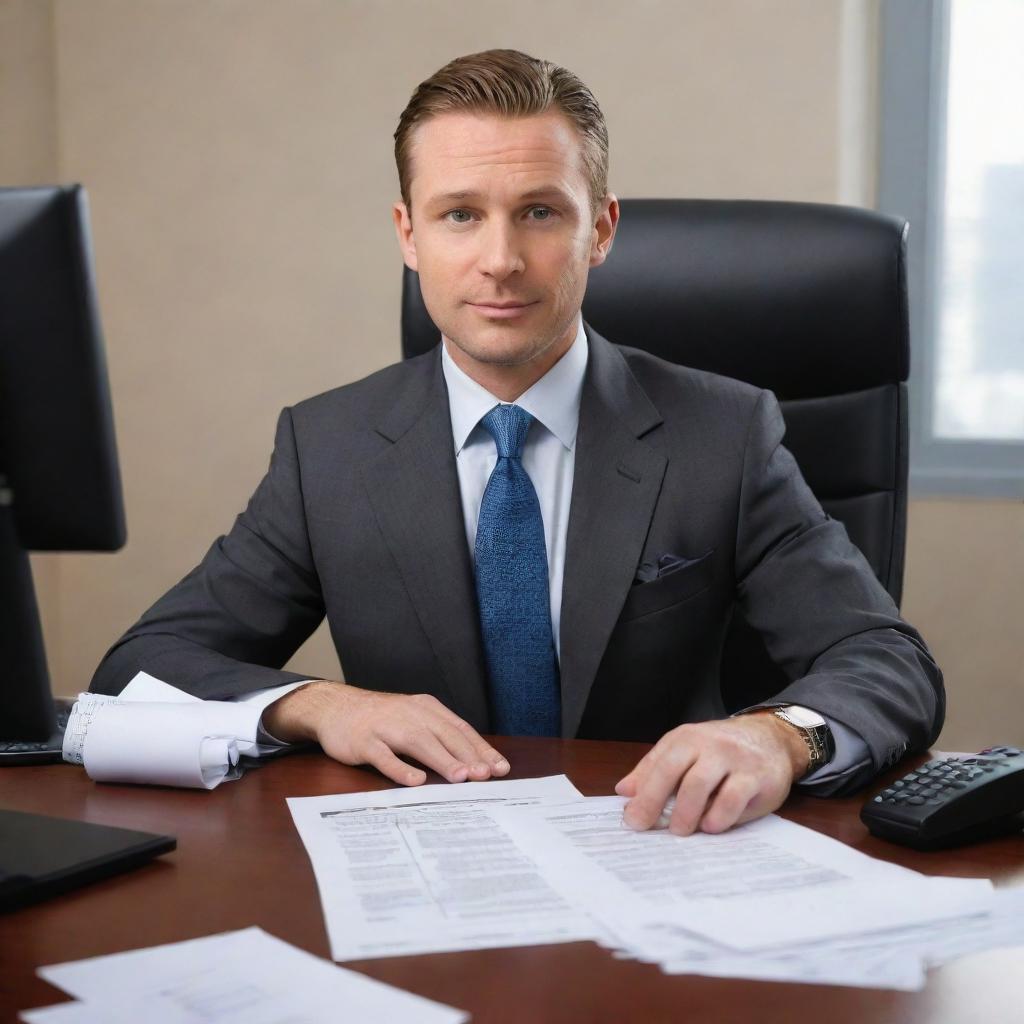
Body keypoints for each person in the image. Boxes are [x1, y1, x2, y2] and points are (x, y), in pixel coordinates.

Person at [91, 49, 943, 837]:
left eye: (539, 212)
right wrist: (321, 705)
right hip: (424, 864)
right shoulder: (330, 448)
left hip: (658, 845)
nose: (500, 260)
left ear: (600, 230)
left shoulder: (722, 433)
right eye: (460, 214)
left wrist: (778, 737)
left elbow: (885, 660)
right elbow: (144, 666)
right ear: (407, 234)